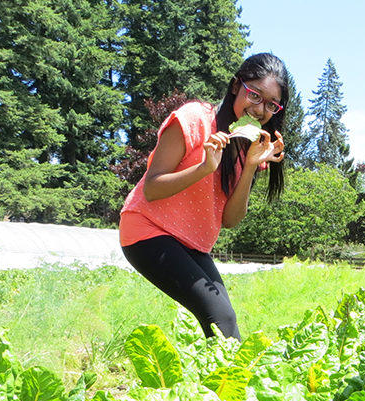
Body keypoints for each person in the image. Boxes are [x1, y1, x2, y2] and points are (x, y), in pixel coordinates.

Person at [119, 53, 289, 341]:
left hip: (193, 244)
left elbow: (231, 220)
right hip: (147, 231)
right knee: (218, 318)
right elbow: (152, 188)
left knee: (227, 320)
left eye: (271, 104)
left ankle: (221, 384)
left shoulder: (252, 148)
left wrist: (249, 167)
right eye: (255, 95)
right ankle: (227, 384)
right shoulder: (195, 119)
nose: (260, 109)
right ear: (236, 86)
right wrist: (205, 167)